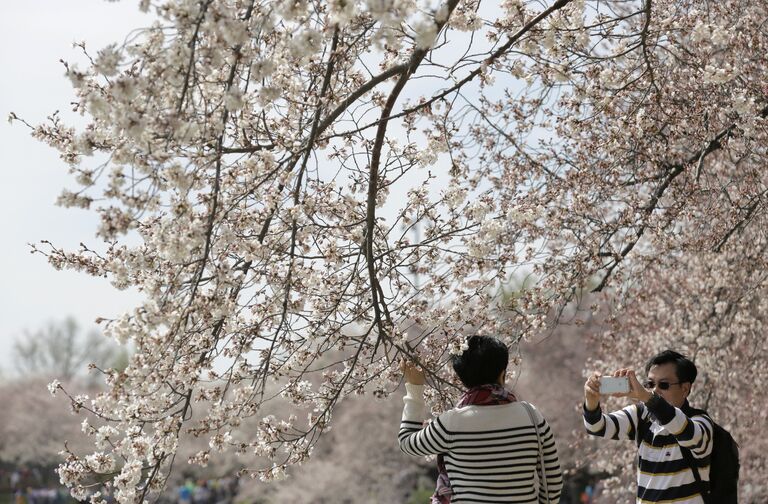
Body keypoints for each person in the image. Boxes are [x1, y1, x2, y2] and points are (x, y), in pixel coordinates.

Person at [398, 335, 563, 503]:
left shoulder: (451, 423)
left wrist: (415, 388)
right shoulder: (532, 416)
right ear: (503, 373)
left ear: (461, 377)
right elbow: (553, 482)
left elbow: (406, 442)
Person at [583, 349, 714, 503]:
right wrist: (591, 401)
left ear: (685, 388)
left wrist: (647, 397)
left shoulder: (701, 422)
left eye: (663, 385)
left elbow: (687, 432)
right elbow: (597, 427)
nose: (655, 390)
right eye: (650, 384)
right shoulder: (641, 416)